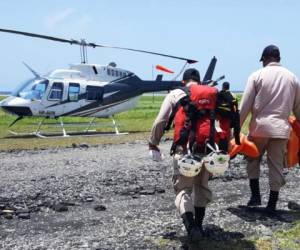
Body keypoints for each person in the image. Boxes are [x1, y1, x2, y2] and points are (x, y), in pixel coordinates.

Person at [149, 68, 215, 242]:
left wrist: (153, 143)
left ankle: (191, 227)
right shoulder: (210, 96)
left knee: (183, 190)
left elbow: (161, 121)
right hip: (208, 150)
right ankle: (199, 226)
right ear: (199, 81)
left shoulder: (176, 94)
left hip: (185, 150)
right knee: (202, 187)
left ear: (184, 81)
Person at [239, 45, 300, 214]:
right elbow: (298, 107)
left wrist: (236, 129)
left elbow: (245, 105)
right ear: (278, 58)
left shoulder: (256, 75)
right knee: (276, 165)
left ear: (265, 59)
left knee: (253, 160)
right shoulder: (292, 78)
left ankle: (255, 196)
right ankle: (272, 205)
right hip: (281, 129)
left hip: (260, 128)